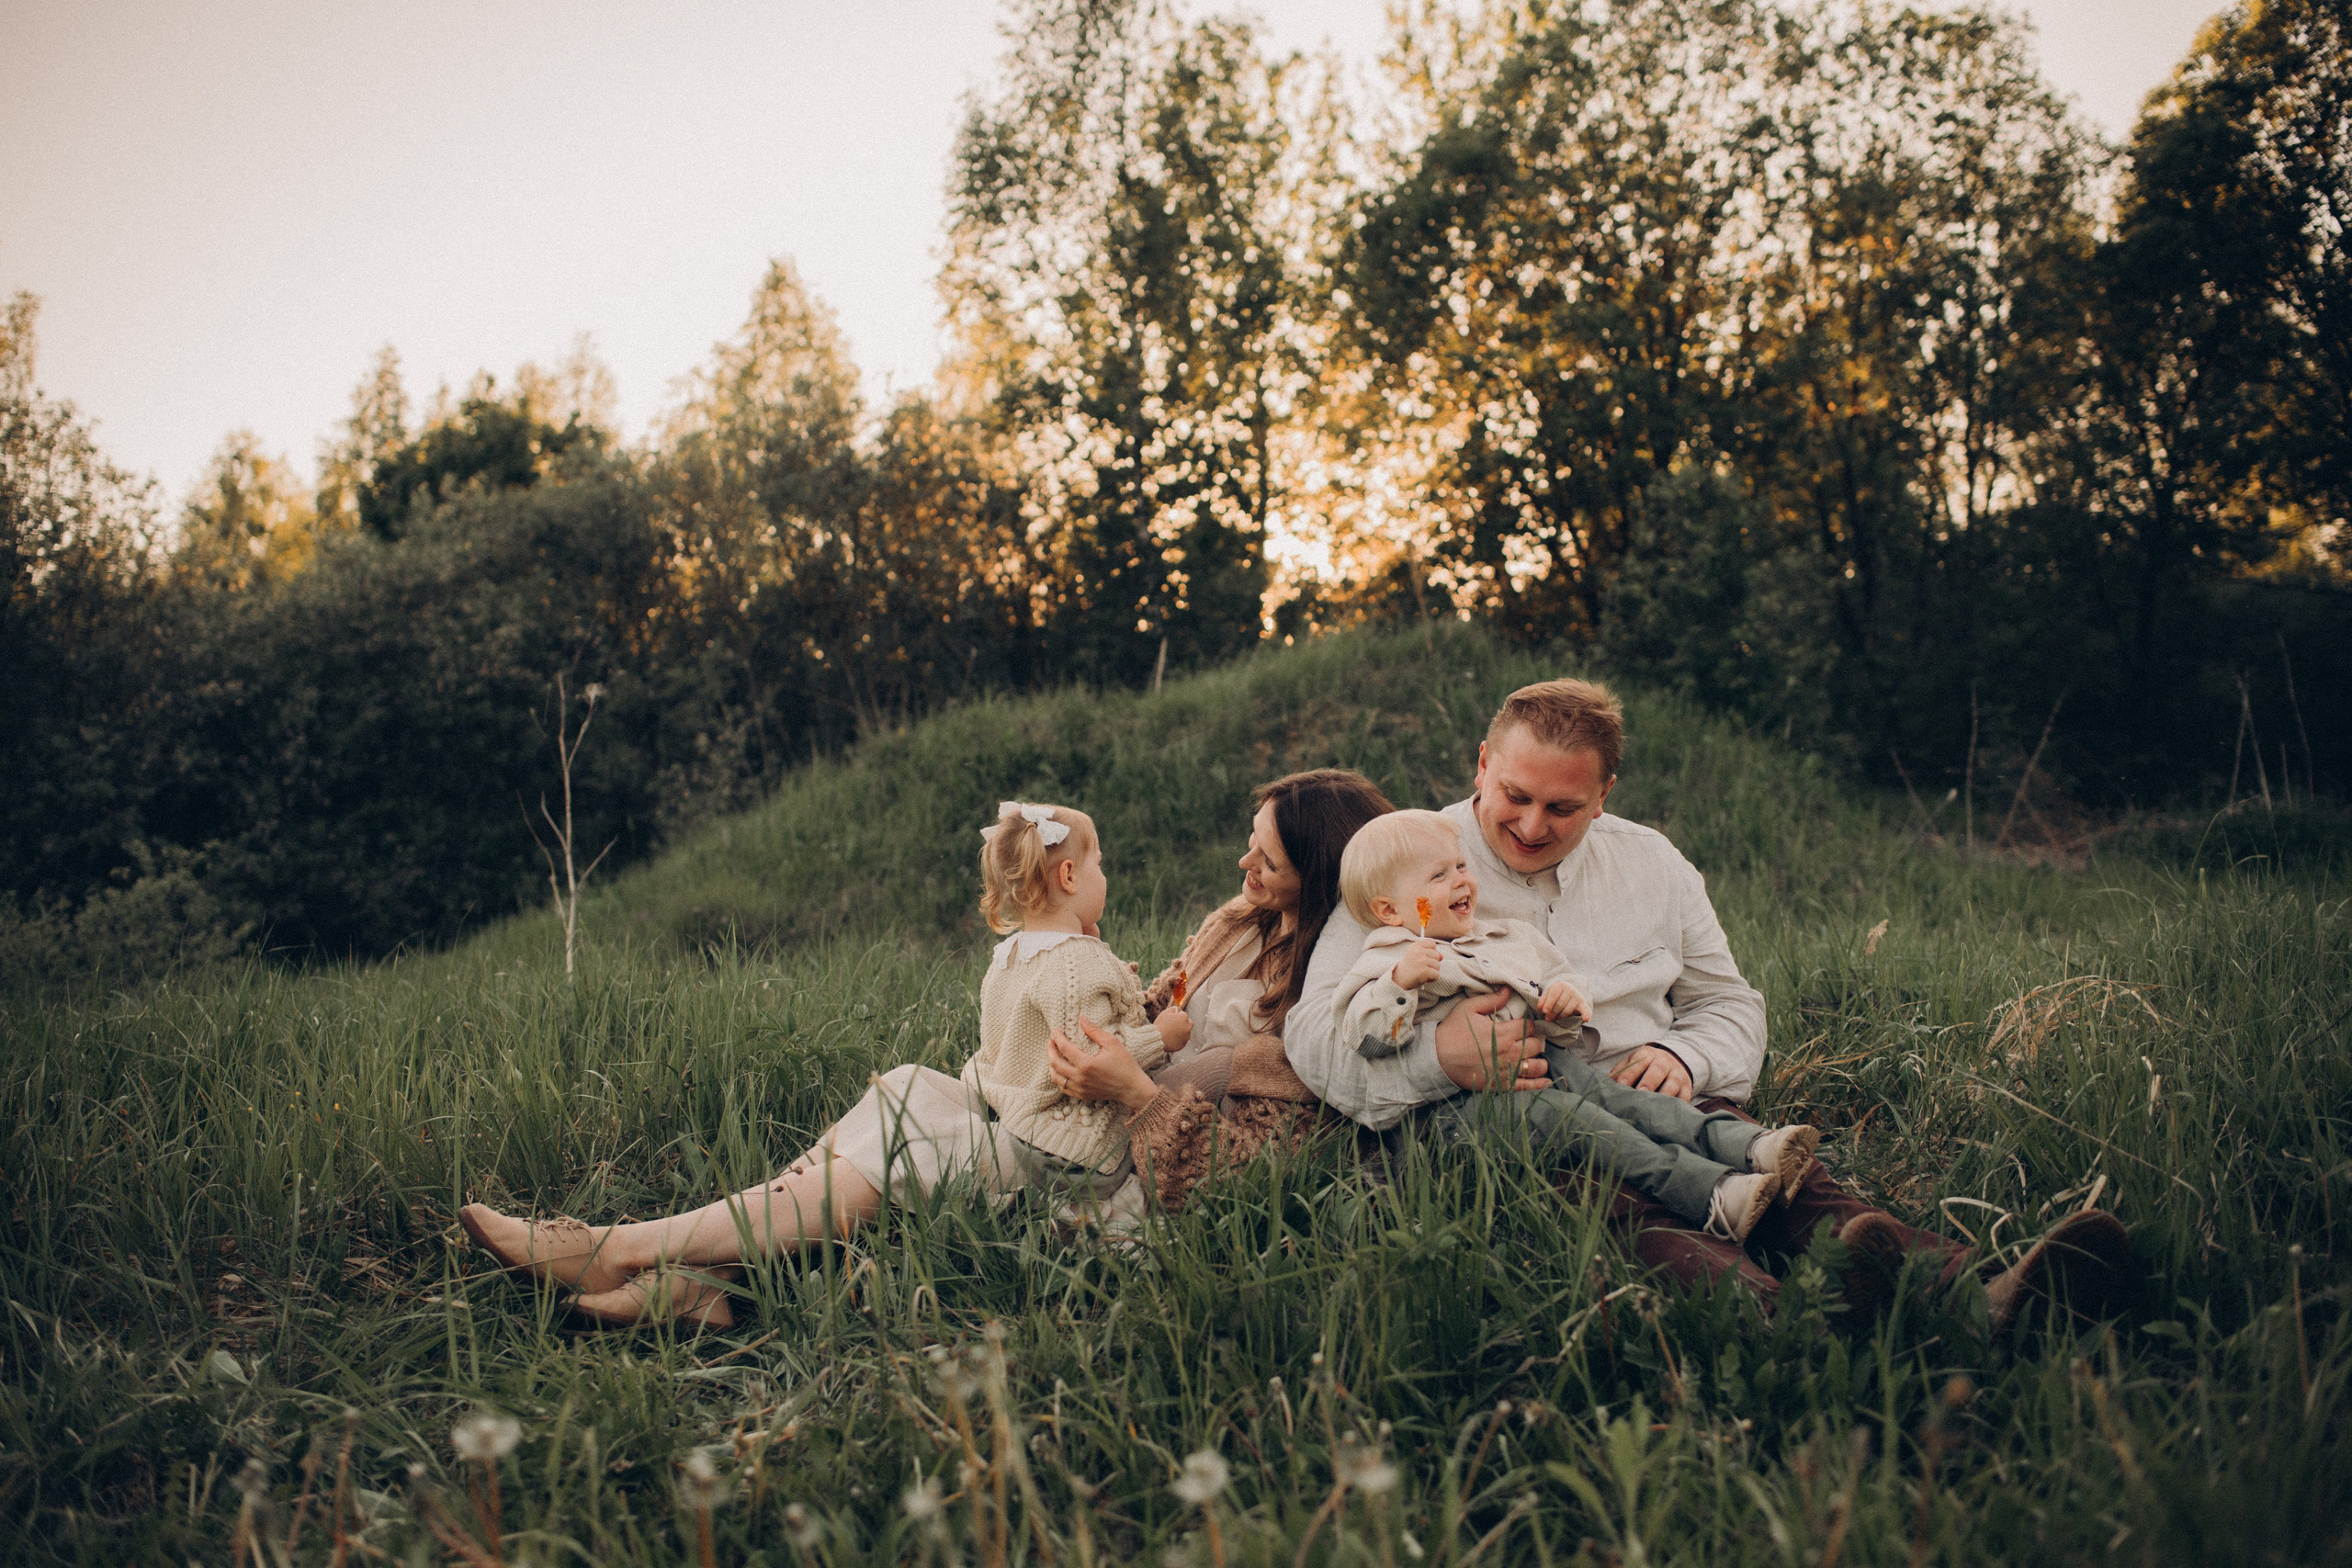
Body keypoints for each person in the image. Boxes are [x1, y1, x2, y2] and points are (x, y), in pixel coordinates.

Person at [1283, 678, 2127, 1325]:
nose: (1533, 825)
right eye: (1515, 796)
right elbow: (1312, 1037)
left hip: (1664, 1095)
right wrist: (1441, 1059)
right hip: (1531, 1118)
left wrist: (1684, 1056)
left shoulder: (1654, 864)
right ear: (1481, 765)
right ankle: (1804, 1331)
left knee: (1792, 1182)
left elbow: (1730, 1004)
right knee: (1636, 1209)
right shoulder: (1409, 862)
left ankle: (1976, 1299)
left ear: (1605, 791)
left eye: (1563, 806)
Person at [458, 771, 1390, 1325]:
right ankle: (703, 1279)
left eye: (1264, 858)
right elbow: (1150, 1011)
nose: (1242, 867)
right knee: (905, 1088)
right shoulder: (1236, 925)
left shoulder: (1330, 1005)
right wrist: (1119, 1033)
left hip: (1122, 1167)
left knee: (912, 1149)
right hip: (1078, 1113)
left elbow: (1255, 1166)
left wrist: (1131, 1087)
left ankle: (615, 1251)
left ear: (1323, 871)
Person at [1332, 808, 1818, 1242]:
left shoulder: (1501, 937)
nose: (1461, 880)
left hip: (1544, 1063)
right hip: (1454, 1115)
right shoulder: (1386, 958)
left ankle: (1746, 1146)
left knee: (1622, 1100)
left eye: (1461, 866)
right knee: (1583, 1121)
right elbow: (1366, 1036)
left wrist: (1566, 1004)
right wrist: (1400, 984)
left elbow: (1558, 990)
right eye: (1438, 875)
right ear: (1390, 910)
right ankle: (1710, 1194)